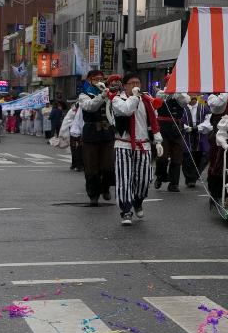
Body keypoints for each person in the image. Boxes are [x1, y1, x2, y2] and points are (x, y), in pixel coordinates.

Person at [111, 72, 162, 226]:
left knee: (144, 180)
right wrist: (134, 96)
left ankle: (138, 201)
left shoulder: (146, 100)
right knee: (124, 179)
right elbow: (126, 110)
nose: (136, 86)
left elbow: (154, 120)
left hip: (143, 144)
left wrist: (158, 141)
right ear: (125, 86)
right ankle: (126, 211)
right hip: (123, 144)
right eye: (132, 83)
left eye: (138, 83)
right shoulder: (117, 99)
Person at [77, 71, 118, 204]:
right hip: (91, 132)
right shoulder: (84, 94)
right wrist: (102, 96)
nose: (99, 81)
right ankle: (93, 194)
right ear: (89, 80)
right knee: (91, 166)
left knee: (108, 164)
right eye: (96, 79)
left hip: (107, 132)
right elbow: (90, 107)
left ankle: (105, 188)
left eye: (101, 79)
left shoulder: (110, 93)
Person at [154, 92, 189, 192]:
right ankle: (160, 177)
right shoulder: (162, 93)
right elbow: (158, 99)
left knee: (177, 157)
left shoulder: (181, 95)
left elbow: (186, 101)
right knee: (162, 156)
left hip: (176, 129)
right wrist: (168, 93)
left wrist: (177, 92)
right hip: (163, 128)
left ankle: (174, 183)